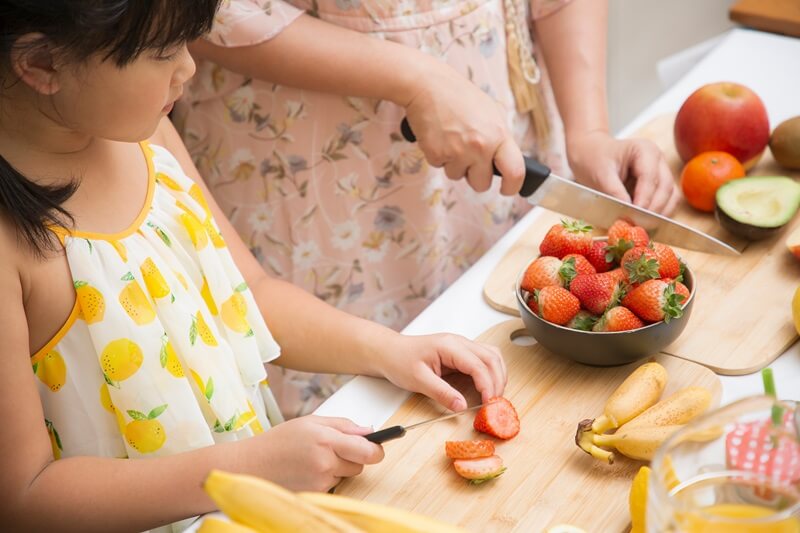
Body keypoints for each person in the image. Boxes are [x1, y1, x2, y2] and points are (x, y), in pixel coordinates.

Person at [0, 2, 508, 531]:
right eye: (162, 51)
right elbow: (22, 495)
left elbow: (251, 296)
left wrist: (390, 350)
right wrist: (248, 466)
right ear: (41, 64)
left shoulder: (146, 136)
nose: (189, 68)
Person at [175, 0, 681, 417]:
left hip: (495, 140)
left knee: (507, 355)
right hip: (322, 183)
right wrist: (417, 80)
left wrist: (588, 132)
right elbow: (209, 12)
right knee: (355, 415)